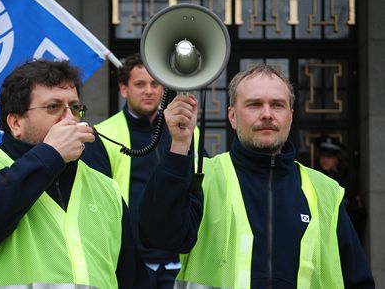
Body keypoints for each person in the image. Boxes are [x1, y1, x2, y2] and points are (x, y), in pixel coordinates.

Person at [139, 64, 375, 288]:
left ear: (290, 117)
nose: (267, 114)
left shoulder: (327, 191)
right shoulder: (205, 177)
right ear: (232, 116)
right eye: (254, 105)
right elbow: (158, 235)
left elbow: (358, 280)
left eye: (277, 105)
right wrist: (179, 146)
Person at [0, 59, 149, 289]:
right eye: (53, 107)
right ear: (16, 122)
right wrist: (51, 154)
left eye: (75, 108)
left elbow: (132, 279)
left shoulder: (106, 188)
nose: (69, 119)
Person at [82, 53, 201, 289]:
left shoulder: (187, 132)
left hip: (179, 259)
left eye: (155, 84)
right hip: (132, 260)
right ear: (123, 89)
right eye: (140, 84)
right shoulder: (104, 135)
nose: (149, 90)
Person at [315, 135, 367, 244]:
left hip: (340, 237)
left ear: (337, 159)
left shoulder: (346, 182)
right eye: (322, 156)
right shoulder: (313, 178)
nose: (324, 160)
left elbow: (357, 213)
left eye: (329, 156)